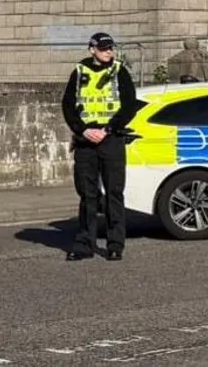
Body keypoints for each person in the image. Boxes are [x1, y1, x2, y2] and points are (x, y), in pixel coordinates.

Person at [60, 31, 138, 261]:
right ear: (92, 49)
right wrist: (82, 130)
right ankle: (85, 244)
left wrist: (109, 129)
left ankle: (115, 245)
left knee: (114, 193)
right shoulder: (79, 72)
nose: (108, 52)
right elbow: (68, 106)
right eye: (104, 49)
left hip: (110, 138)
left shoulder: (119, 71)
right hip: (86, 140)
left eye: (110, 48)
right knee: (87, 194)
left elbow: (129, 106)